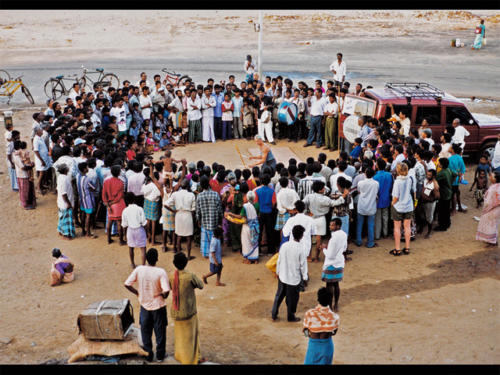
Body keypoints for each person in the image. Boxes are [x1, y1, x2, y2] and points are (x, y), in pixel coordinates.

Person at [124, 248, 170, 363]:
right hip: (158, 306)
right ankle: (160, 355)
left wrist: (137, 293)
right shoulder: (161, 272)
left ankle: (148, 354)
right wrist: (163, 295)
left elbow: (127, 283)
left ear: (146, 259)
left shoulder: (139, 269)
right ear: (157, 259)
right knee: (160, 332)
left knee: (145, 331)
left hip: (144, 305)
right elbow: (166, 291)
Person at [169, 252, 206, 364]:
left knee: (180, 337)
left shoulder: (171, 276)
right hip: (189, 311)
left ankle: (180, 356)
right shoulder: (189, 276)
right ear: (186, 263)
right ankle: (193, 359)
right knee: (191, 338)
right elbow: (201, 285)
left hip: (176, 311)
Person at [271, 225, 308, 322]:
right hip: (293, 278)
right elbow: (303, 265)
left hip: (283, 275)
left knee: (279, 295)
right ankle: (290, 316)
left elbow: (279, 260)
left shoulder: (284, 245)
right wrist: (305, 277)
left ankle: (274, 313)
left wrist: (278, 271)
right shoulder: (301, 248)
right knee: (292, 299)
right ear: (301, 236)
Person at [303, 287, 340, 365]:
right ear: (330, 301)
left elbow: (305, 331)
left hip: (313, 346)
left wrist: (309, 336)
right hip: (326, 347)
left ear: (318, 299)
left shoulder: (309, 313)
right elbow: (334, 333)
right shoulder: (335, 317)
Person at [166, 178, 196, 259]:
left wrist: (173, 211)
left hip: (179, 215)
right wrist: (192, 218)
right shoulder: (191, 195)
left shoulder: (175, 194)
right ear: (188, 186)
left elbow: (165, 204)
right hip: (188, 215)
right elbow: (193, 209)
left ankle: (179, 254)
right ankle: (188, 256)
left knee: (179, 235)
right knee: (188, 236)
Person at [227, 190, 260, 264]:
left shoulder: (245, 206)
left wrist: (231, 214)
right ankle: (255, 259)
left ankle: (248, 259)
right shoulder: (257, 205)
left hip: (247, 226)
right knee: (254, 242)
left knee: (246, 242)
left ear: (247, 198)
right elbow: (258, 215)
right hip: (255, 226)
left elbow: (240, 216)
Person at [322, 218, 347, 312]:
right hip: (339, 262)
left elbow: (330, 255)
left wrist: (324, 249)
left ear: (338, 226)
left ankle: (330, 305)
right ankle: (336, 304)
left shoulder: (334, 238)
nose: (330, 226)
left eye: (332, 225)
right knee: (336, 284)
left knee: (329, 285)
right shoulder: (344, 235)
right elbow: (344, 248)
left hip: (331, 263)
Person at [390, 163, 414, 256]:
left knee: (397, 227)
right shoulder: (409, 179)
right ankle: (407, 247)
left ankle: (397, 249)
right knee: (407, 226)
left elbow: (396, 197)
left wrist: (392, 203)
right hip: (408, 205)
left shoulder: (397, 182)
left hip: (398, 206)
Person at [122, 193, 148, 269]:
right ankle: (143, 265)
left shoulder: (125, 210)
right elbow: (144, 222)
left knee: (131, 247)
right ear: (134, 199)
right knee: (143, 248)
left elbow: (124, 225)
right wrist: (147, 231)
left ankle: (132, 264)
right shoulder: (140, 209)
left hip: (130, 230)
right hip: (139, 230)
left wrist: (124, 235)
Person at [102, 165, 126, 245]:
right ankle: (121, 240)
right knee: (119, 223)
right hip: (118, 204)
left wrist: (107, 204)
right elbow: (120, 196)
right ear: (119, 173)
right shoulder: (120, 183)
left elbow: (104, 194)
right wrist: (112, 202)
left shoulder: (106, 181)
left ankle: (109, 239)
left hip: (110, 204)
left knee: (109, 222)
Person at [356, 167, 379, 248]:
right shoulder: (376, 183)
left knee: (359, 224)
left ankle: (359, 241)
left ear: (365, 174)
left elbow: (359, 191)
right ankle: (370, 242)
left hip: (361, 206)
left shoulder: (360, 183)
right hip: (371, 206)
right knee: (370, 225)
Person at [476, 172, 500, 246]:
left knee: (491, 224)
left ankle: (492, 241)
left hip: (493, 209)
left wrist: (487, 206)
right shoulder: (496, 186)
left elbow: (490, 200)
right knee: (493, 224)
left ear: (495, 179)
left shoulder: (494, 188)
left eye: (492, 176)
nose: (490, 177)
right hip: (496, 209)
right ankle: (493, 240)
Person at [77, 162, 98, 238]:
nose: (87, 168)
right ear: (84, 169)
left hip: (81, 198)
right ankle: (88, 233)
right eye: (86, 167)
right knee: (88, 216)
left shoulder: (78, 176)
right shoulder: (87, 179)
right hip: (88, 199)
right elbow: (94, 188)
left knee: (82, 214)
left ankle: (83, 230)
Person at [435, 158, 456, 232]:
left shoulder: (442, 173)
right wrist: (451, 181)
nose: (438, 164)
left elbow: (435, 179)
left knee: (442, 210)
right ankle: (447, 223)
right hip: (449, 192)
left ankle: (442, 226)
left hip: (444, 193)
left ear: (442, 164)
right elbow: (455, 174)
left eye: (439, 163)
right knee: (446, 209)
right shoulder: (449, 170)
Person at [56, 164, 76, 240]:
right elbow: (64, 194)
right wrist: (69, 203)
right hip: (65, 203)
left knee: (62, 217)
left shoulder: (60, 177)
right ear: (65, 170)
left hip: (61, 202)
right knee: (67, 219)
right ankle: (67, 235)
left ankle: (61, 231)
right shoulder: (64, 179)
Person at [420, 169, 440, 238]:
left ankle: (429, 232)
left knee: (429, 218)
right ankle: (421, 229)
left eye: (429, 175)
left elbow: (437, 196)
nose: (428, 176)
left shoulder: (435, 185)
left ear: (433, 176)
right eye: (427, 174)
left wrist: (430, 199)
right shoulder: (425, 180)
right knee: (422, 215)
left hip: (429, 204)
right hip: (423, 202)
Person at [448, 144, 466, 213]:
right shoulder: (459, 157)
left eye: (450, 147)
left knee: (453, 195)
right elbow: (463, 168)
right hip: (457, 179)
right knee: (457, 192)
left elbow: (449, 170)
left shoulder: (450, 159)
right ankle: (459, 207)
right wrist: (460, 176)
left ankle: (454, 209)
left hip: (452, 179)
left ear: (452, 150)